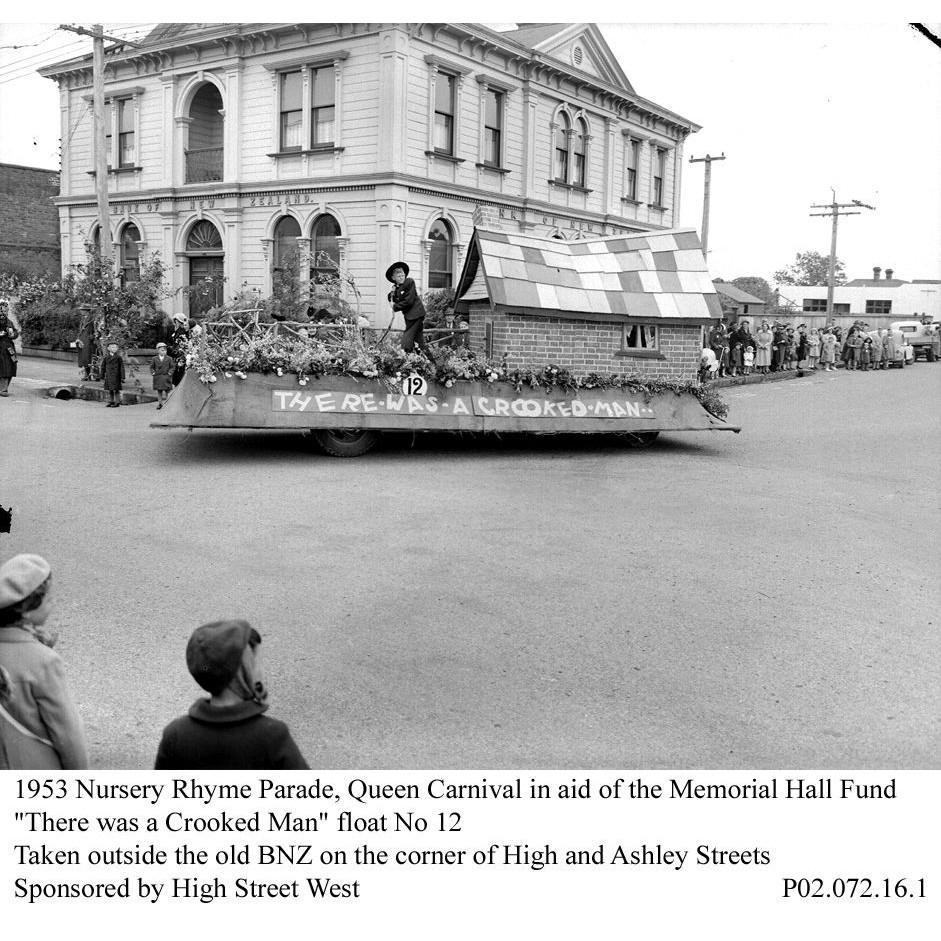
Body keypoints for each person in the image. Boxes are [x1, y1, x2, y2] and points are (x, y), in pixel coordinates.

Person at [154, 619, 309, 770]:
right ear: (240, 673)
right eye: (254, 662)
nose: (261, 671)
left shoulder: (175, 736)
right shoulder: (272, 736)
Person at [0, 554, 88, 769]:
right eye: (49, 599)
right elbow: (68, 735)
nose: (53, 602)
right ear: (27, 611)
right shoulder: (44, 662)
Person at [386, 262, 432, 357]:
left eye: (402, 275)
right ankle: (431, 364)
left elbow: (409, 301)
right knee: (419, 342)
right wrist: (392, 293)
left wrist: (395, 307)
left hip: (416, 314)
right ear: (394, 278)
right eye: (399, 276)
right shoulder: (396, 288)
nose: (402, 277)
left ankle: (406, 358)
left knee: (407, 338)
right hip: (409, 316)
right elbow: (391, 297)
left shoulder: (409, 282)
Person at [0, 309, 19, 397]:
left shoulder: (9, 322)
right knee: (3, 368)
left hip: (9, 348)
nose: (3, 314)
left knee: (12, 366)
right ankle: (3, 389)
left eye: (4, 312)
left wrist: (13, 334)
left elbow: (15, 332)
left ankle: (4, 388)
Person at [150, 342, 175, 409]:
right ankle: (160, 403)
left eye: (165, 350)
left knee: (167, 391)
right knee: (159, 391)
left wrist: (170, 372)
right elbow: (152, 367)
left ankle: (168, 403)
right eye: (162, 350)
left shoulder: (169, 358)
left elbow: (172, 367)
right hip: (158, 377)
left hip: (166, 376)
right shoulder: (154, 359)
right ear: (158, 351)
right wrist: (153, 373)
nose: (164, 352)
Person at [101, 340, 125, 407]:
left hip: (116, 375)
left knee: (116, 389)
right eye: (112, 347)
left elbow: (121, 367)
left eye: (115, 347)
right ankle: (111, 401)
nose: (114, 349)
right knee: (110, 389)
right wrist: (102, 375)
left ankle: (117, 402)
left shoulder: (118, 357)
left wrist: (122, 376)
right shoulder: (106, 357)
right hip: (109, 375)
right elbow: (103, 366)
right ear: (108, 348)